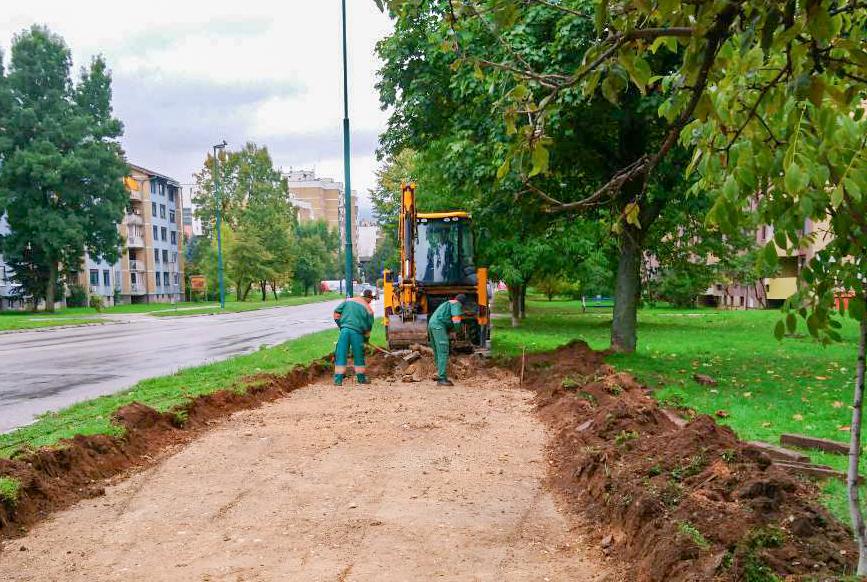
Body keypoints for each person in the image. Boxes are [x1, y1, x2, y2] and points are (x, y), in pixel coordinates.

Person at [333, 289, 375, 386]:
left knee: (341, 354)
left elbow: (336, 314)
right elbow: (368, 328)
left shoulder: (348, 301)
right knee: (358, 355)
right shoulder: (369, 310)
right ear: (368, 298)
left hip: (344, 331)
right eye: (371, 299)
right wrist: (366, 339)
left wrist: (342, 326)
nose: (371, 301)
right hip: (357, 333)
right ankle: (361, 379)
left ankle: (338, 380)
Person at [427, 294, 467, 386]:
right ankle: (442, 378)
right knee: (443, 351)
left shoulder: (447, 304)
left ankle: (439, 373)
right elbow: (456, 319)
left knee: (437, 351)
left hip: (432, 324)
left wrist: (449, 330)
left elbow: (446, 319)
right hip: (438, 326)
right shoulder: (456, 304)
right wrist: (458, 331)